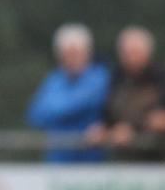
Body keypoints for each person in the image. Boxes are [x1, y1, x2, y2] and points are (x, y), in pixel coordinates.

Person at [27, 23, 110, 162]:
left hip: (92, 161)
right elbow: (36, 115)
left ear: (88, 52)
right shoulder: (54, 79)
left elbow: (79, 103)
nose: (71, 58)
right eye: (67, 54)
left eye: (75, 53)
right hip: (58, 161)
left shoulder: (101, 77)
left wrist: (57, 110)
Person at [86, 26, 164, 159]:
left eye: (135, 52)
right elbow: (109, 112)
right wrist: (104, 128)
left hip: (158, 158)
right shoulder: (115, 78)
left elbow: (163, 118)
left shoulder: (162, 78)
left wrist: (134, 130)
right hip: (124, 159)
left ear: (148, 52)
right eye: (127, 53)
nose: (131, 58)